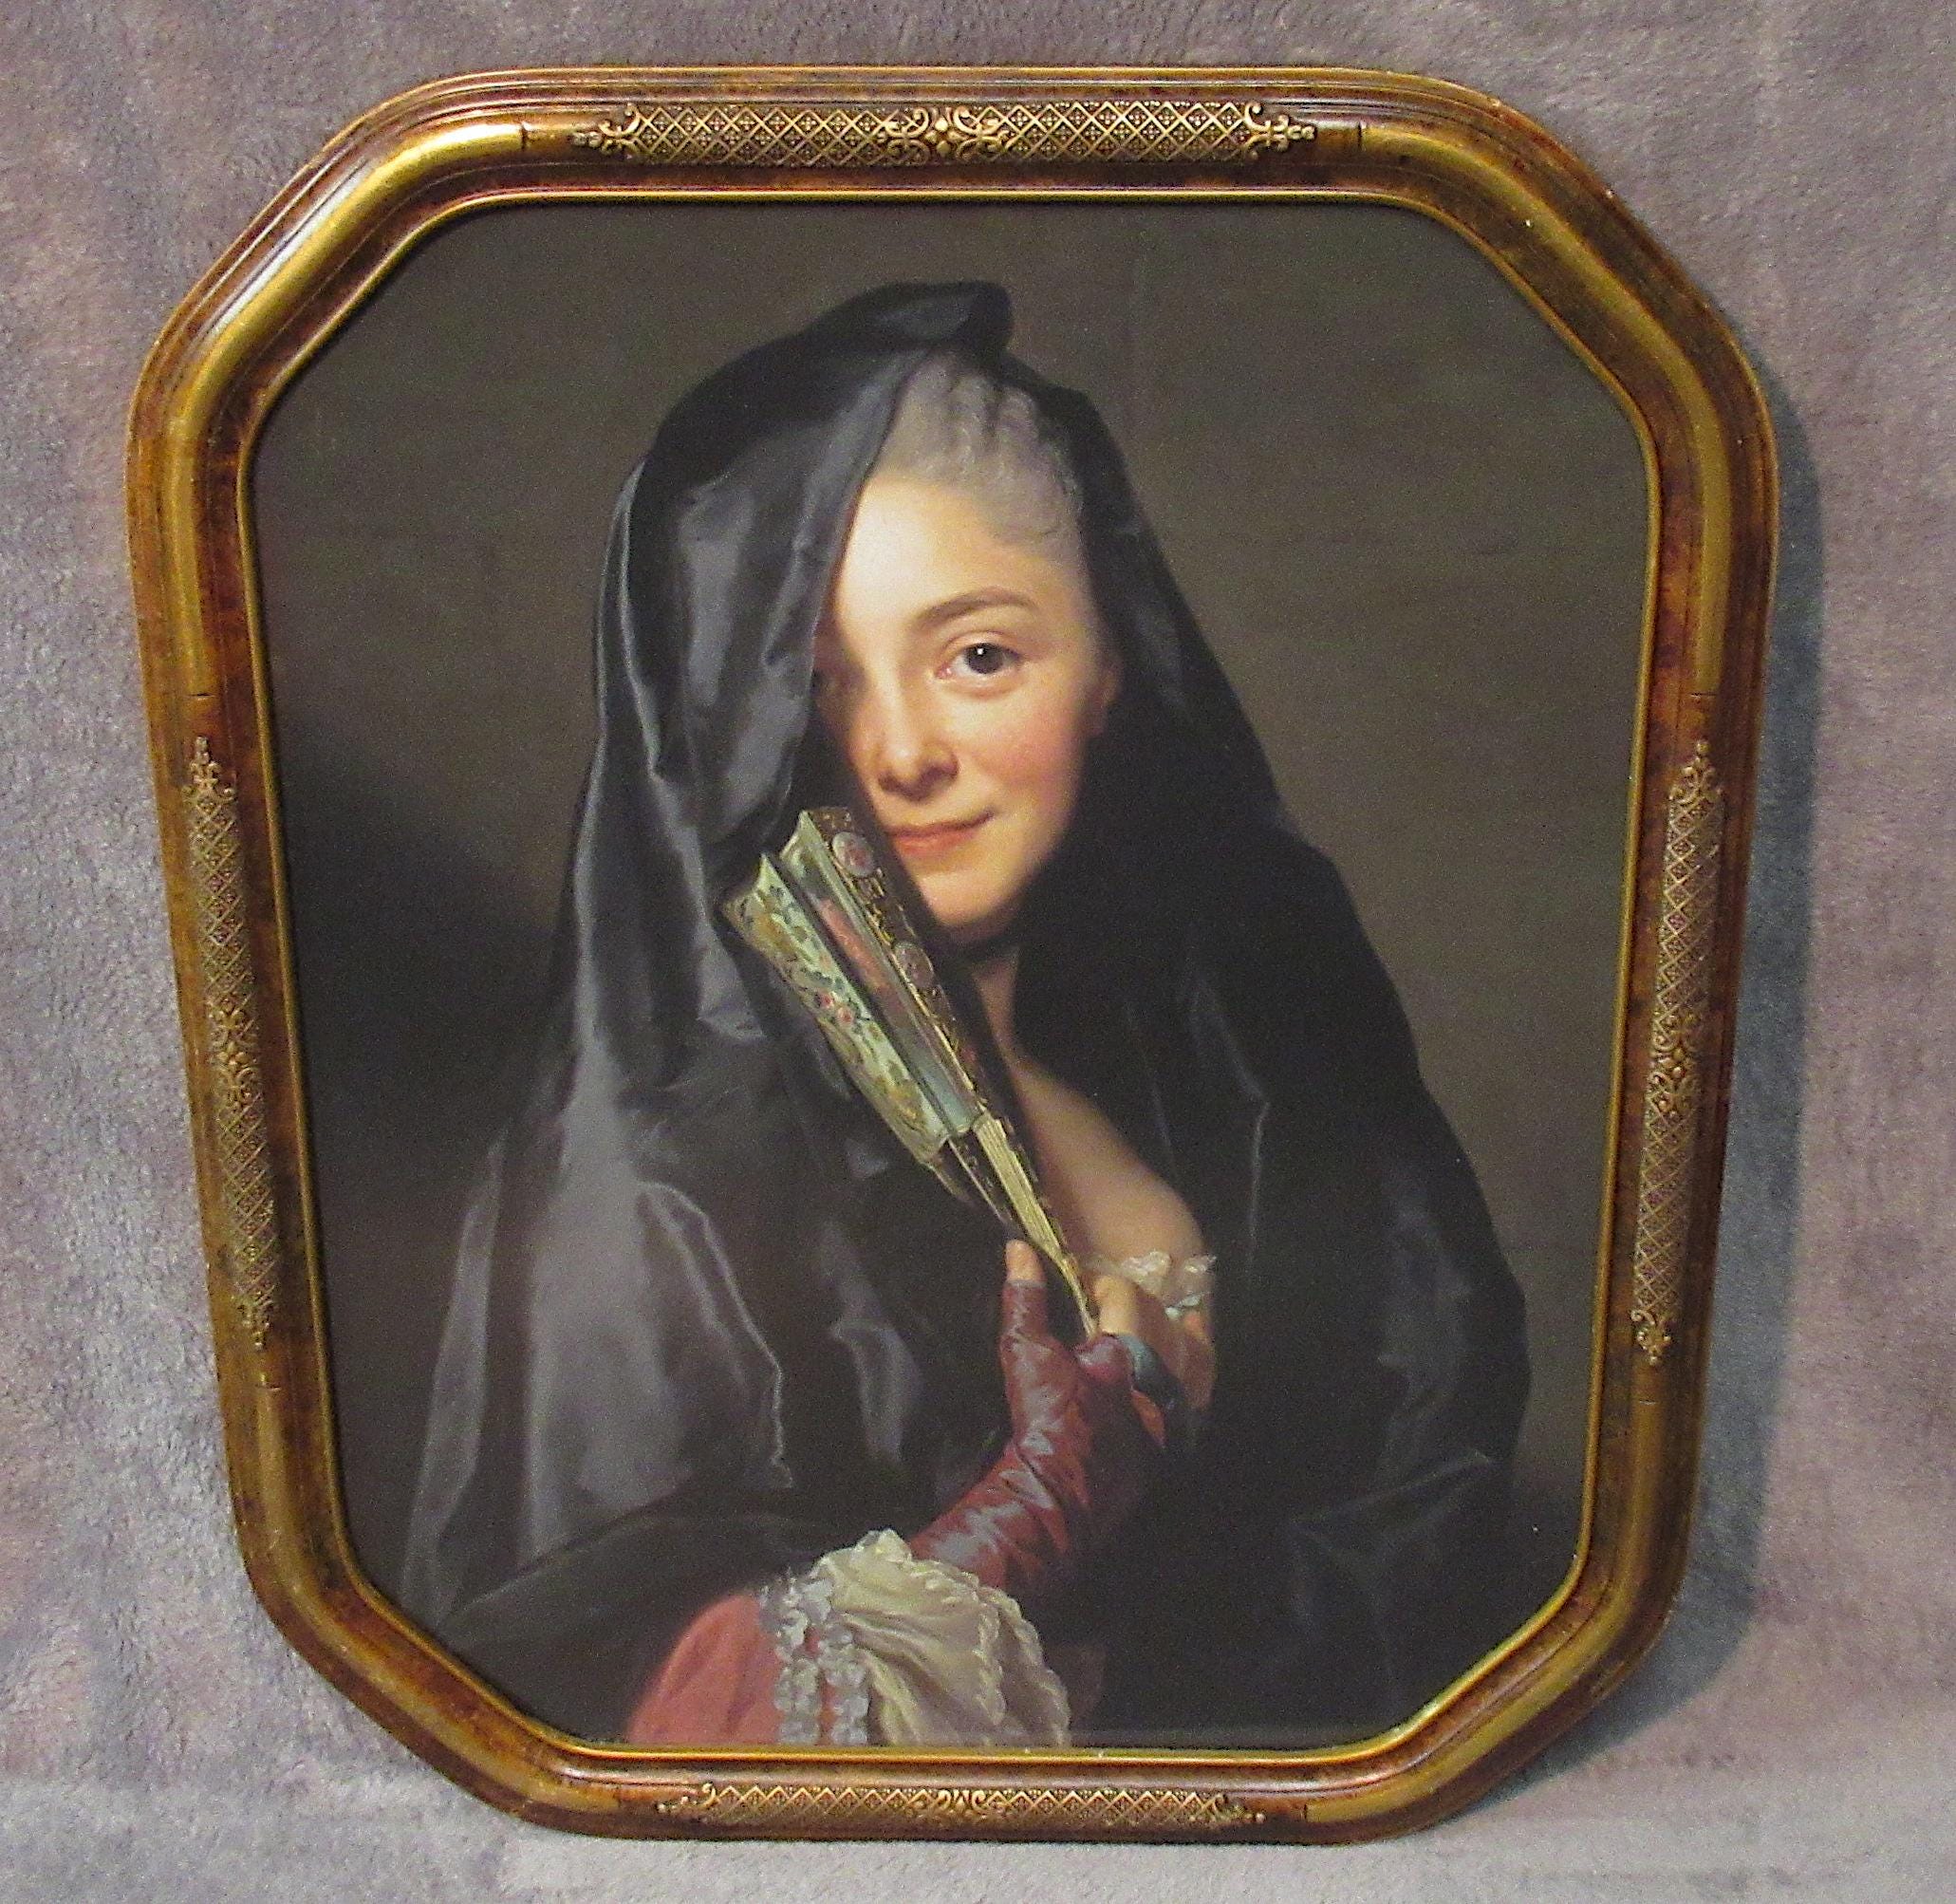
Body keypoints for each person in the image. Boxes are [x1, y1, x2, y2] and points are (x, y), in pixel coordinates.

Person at [399, 281, 1528, 1750]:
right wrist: (1027, 1515)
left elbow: (1422, 1524)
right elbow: (616, 1720)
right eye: (812, 684)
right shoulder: (655, 1170)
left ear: (1108, 665)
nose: (903, 752)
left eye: (979, 655)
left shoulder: (1240, 1060)